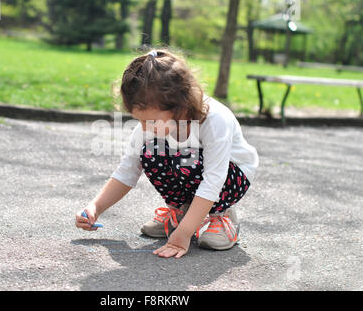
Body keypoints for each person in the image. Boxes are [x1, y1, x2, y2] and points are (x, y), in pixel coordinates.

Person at [75, 48, 259, 259]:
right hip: (196, 173)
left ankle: (222, 216)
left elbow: (214, 179)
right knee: (151, 153)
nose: (144, 127)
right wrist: (95, 207)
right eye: (140, 120)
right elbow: (127, 171)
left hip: (232, 177)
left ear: (180, 107)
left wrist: (183, 234)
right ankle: (181, 211)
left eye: (150, 121)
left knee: (185, 158)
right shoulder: (149, 127)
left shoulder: (215, 120)